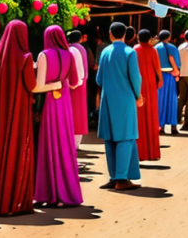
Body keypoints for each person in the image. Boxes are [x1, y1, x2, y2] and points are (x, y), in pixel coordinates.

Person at [0, 21, 60, 215]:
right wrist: (36, 70)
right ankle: (14, 202)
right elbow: (31, 86)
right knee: (18, 151)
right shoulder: (25, 56)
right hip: (19, 110)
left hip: (0, 112)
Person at [35, 25, 84, 206]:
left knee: (48, 145)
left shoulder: (44, 55)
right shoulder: (69, 54)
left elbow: (38, 87)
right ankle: (66, 192)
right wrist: (61, 83)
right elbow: (75, 82)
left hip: (49, 103)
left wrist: (52, 84)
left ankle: (48, 194)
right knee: (64, 146)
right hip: (64, 103)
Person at [96, 22, 143, 191]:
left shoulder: (104, 52)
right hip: (125, 100)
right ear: (125, 34)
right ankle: (122, 179)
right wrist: (138, 95)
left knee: (109, 138)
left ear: (110, 34)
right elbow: (136, 78)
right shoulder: (130, 53)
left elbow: (98, 79)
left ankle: (114, 176)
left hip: (107, 100)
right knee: (126, 137)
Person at [133, 30, 162, 161]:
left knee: (139, 117)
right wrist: (160, 80)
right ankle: (152, 152)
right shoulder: (153, 50)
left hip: (138, 84)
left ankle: (140, 152)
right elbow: (157, 67)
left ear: (138, 38)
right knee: (151, 115)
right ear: (150, 39)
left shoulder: (134, 49)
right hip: (150, 84)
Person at [155, 30, 180, 135]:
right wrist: (177, 73)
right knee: (172, 101)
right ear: (169, 38)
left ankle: (160, 126)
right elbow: (177, 64)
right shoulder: (173, 48)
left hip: (159, 77)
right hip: (170, 77)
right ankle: (173, 127)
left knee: (160, 102)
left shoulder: (155, 48)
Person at [68, 30, 90, 148]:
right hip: (82, 83)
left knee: (72, 111)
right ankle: (77, 141)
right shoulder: (82, 49)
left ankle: (72, 140)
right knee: (80, 111)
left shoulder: (70, 49)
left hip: (72, 83)